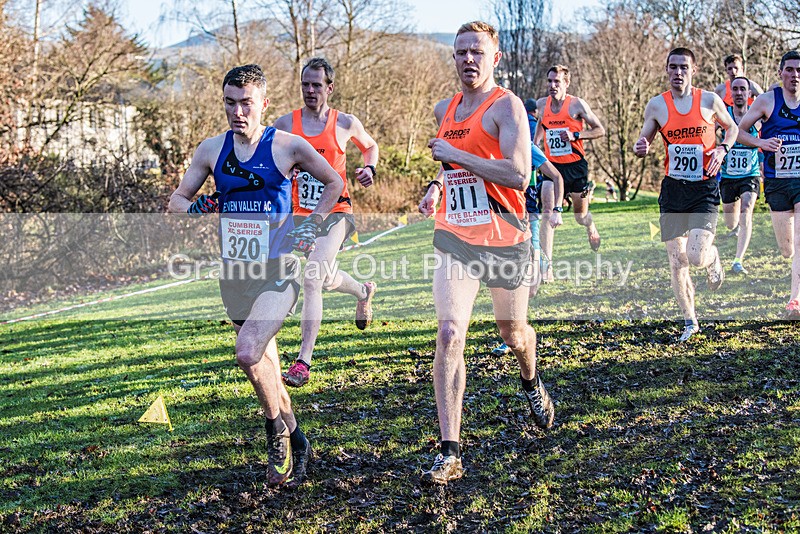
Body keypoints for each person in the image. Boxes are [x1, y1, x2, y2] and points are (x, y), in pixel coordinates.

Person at [168, 64, 345, 487]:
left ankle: (276, 434)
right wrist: (200, 207)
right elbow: (176, 202)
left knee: (248, 351)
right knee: (264, 368)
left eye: (246, 102)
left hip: (279, 270)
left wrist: (308, 230)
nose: (238, 111)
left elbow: (334, 183)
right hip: (235, 276)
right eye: (230, 102)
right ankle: (298, 438)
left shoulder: (287, 146)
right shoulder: (212, 150)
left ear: (264, 103)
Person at [417, 21, 554, 486]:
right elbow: (452, 167)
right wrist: (436, 186)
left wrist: (457, 159)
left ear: (495, 58)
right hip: (455, 235)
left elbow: (519, 174)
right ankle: (450, 451)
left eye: (477, 51)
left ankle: (531, 378)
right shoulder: (448, 107)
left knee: (514, 334)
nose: (468, 59)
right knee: (451, 332)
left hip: (505, 238)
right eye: (460, 52)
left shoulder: (507, 106)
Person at [274, 57, 379, 387]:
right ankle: (363, 291)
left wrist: (369, 168)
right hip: (300, 215)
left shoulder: (345, 122)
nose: (309, 90)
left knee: (312, 276)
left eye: (316, 85)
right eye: (305, 84)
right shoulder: (286, 124)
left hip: (336, 212)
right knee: (327, 278)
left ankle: (303, 362)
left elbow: (370, 146)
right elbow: (270, 157)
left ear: (329, 88)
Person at [633, 48, 738, 342]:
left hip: (703, 189)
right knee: (677, 260)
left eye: (683, 67)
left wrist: (722, 148)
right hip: (673, 190)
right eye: (673, 67)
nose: (678, 72)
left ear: (694, 70)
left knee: (695, 255)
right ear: (666, 70)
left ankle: (713, 256)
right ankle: (690, 321)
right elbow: (644, 139)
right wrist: (640, 146)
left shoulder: (709, 100)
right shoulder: (656, 106)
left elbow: (732, 128)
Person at [735, 50, 800, 318]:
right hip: (776, 183)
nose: (795, 75)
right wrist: (761, 143)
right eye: (790, 70)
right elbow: (737, 132)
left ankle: (795, 300)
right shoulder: (766, 101)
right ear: (780, 73)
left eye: (799, 70)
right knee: (787, 249)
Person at [533, 64, 606, 285]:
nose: (552, 86)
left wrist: (576, 135)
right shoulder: (541, 104)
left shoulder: (576, 105)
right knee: (547, 211)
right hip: (552, 167)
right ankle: (547, 267)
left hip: (575, 167)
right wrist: (534, 147)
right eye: (550, 81)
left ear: (567, 83)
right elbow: (540, 125)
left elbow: (600, 130)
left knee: (579, 216)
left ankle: (590, 225)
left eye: (557, 82)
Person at [491, 143, 563, 356]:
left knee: (531, 282)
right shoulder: (489, 143)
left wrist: (557, 209)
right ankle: (514, 331)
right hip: (500, 219)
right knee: (510, 278)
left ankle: (541, 263)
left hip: (528, 216)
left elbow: (557, 176)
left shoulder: (528, 147)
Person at [719, 76, 763, 275]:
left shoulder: (757, 114)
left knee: (747, 209)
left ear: (748, 93)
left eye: (742, 89)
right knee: (731, 222)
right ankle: (734, 227)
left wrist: (754, 85)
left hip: (751, 174)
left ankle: (738, 260)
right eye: (735, 89)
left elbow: (768, 100)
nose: (738, 93)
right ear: (731, 93)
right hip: (728, 176)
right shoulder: (723, 115)